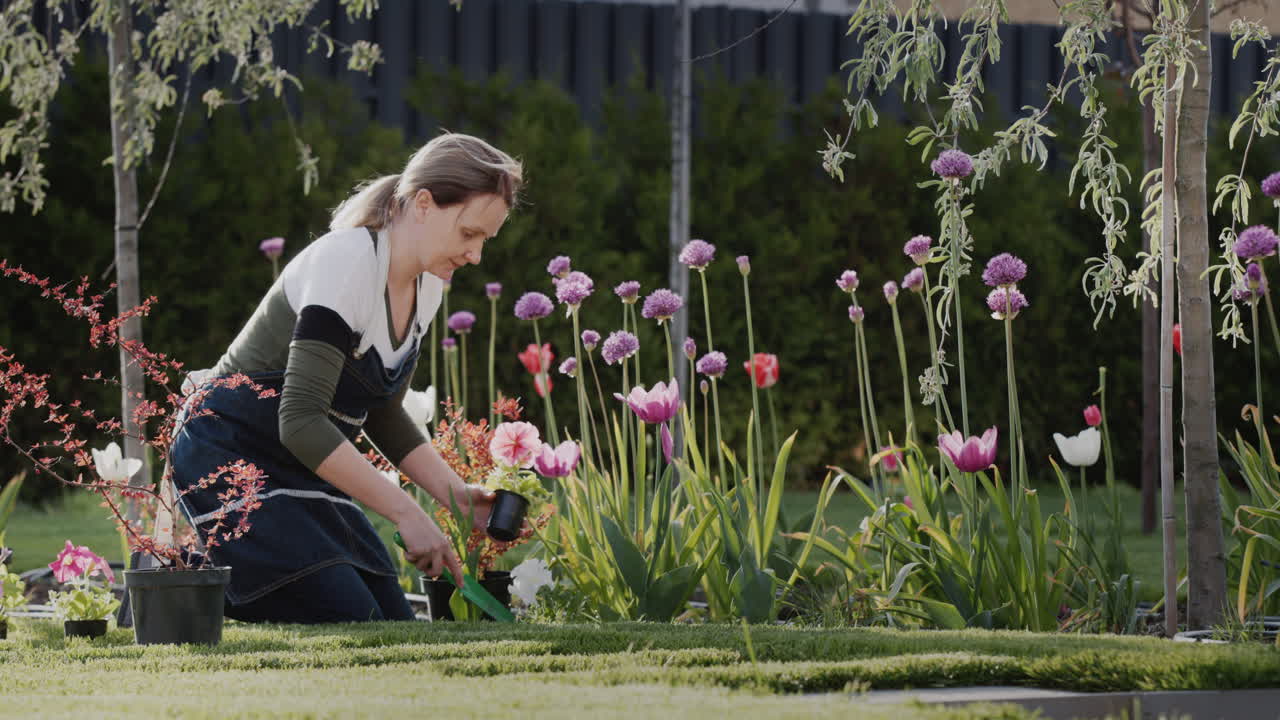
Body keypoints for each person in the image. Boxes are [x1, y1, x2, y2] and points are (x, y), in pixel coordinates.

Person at [168, 133, 522, 623]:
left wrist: (456, 496)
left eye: (485, 239)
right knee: (349, 615)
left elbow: (381, 410)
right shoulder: (348, 259)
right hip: (227, 454)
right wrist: (405, 512)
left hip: (299, 467)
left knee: (391, 621)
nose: (476, 255)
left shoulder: (429, 287)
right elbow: (300, 420)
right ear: (424, 204)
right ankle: (183, 572)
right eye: (469, 233)